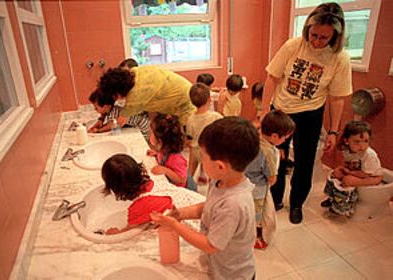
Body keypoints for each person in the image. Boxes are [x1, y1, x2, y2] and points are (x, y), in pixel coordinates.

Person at [261, 2, 352, 224]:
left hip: (310, 114)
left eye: (324, 38)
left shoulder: (340, 58)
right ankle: (275, 198)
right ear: (307, 28)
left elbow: (337, 98)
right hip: (281, 111)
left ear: (335, 36)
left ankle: (297, 203)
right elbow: (272, 77)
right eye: (314, 35)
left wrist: (333, 131)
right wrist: (264, 111)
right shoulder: (293, 45)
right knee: (275, 157)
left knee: (305, 161)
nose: (317, 41)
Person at [151, 117, 259, 280]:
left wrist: (175, 226)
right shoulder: (220, 180)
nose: (200, 161)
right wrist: (180, 214)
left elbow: (210, 245)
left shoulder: (233, 204)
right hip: (218, 264)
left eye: (203, 157)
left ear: (220, 166)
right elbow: (209, 207)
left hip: (232, 275)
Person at [245, 110, 295, 249]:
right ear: (274, 136)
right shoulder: (270, 152)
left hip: (243, 182)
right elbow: (272, 177)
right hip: (259, 187)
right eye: (284, 138)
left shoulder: (252, 137)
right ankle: (256, 237)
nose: (284, 141)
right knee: (259, 214)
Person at [320, 121, 383, 216]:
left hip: (373, 177)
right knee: (335, 173)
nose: (362, 146)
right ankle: (332, 198)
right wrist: (344, 169)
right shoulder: (346, 149)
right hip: (357, 171)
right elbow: (348, 163)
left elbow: (365, 174)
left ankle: (342, 206)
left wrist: (349, 173)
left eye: (366, 141)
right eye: (357, 142)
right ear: (347, 141)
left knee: (347, 180)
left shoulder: (369, 155)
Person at [98, 65, 195, 126]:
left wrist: (99, 131)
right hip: (183, 91)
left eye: (114, 96)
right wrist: (101, 118)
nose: (116, 99)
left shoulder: (135, 96)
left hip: (187, 102)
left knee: (184, 140)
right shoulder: (134, 72)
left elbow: (120, 122)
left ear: (118, 91)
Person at [101, 154, 173, 234]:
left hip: (185, 225)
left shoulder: (138, 207)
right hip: (187, 203)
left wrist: (116, 233)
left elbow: (129, 231)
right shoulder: (150, 181)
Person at [147, 113, 196, 190]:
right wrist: (156, 154)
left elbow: (182, 180)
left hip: (181, 190)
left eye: (151, 133)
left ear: (160, 141)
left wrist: (165, 170)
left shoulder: (175, 159)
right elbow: (164, 160)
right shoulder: (164, 150)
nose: (149, 135)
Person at [186, 83, 223, 183]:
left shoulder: (190, 118)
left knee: (190, 172)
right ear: (209, 99)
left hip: (196, 150)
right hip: (210, 152)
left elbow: (189, 138)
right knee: (213, 174)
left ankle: (187, 185)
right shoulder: (216, 117)